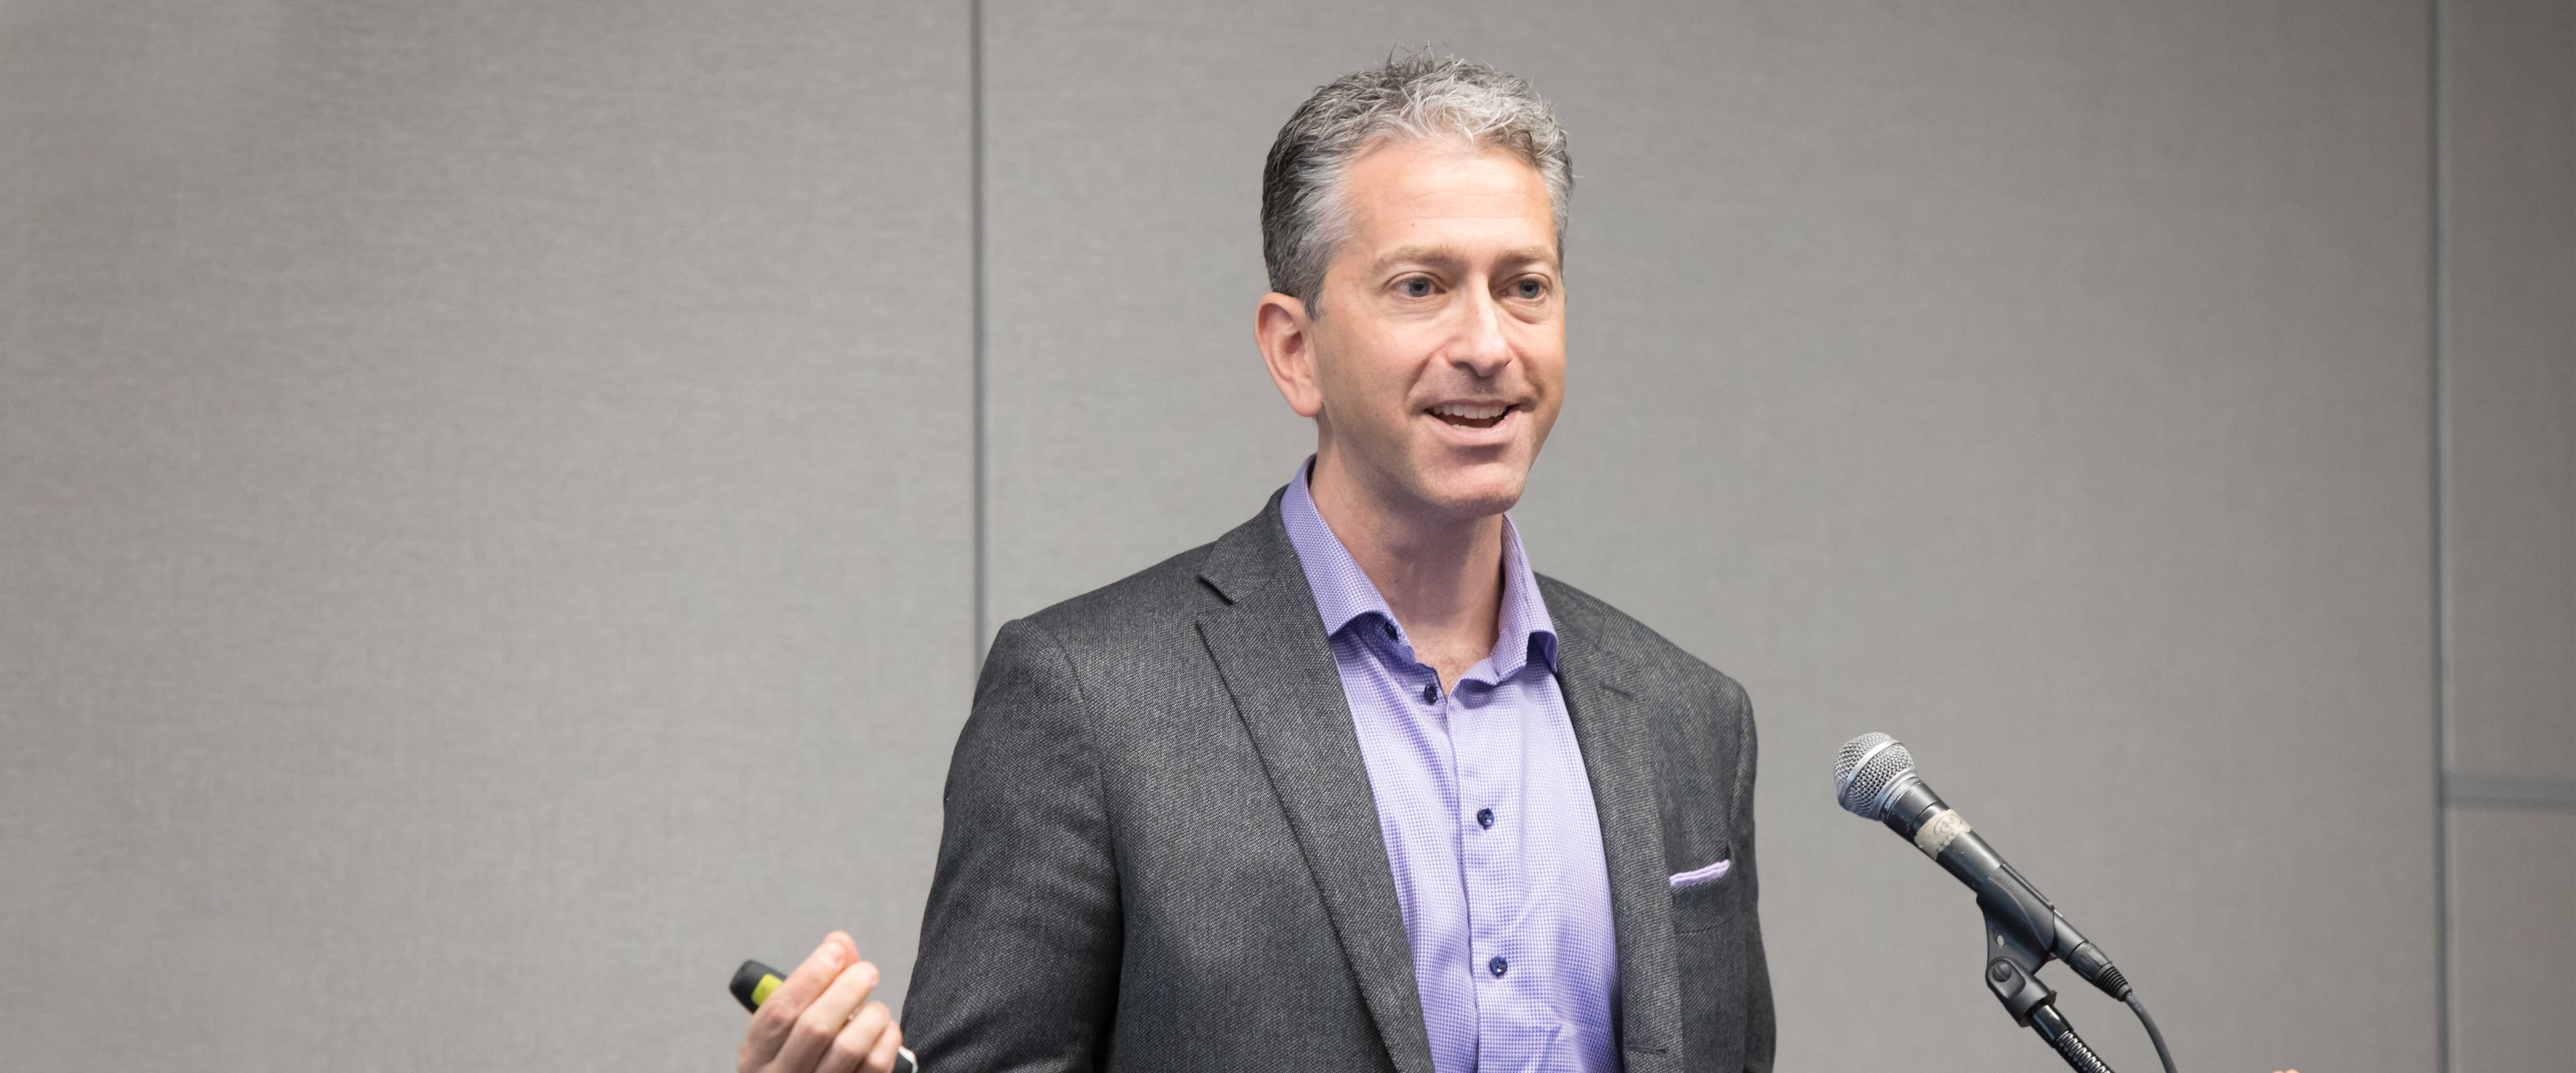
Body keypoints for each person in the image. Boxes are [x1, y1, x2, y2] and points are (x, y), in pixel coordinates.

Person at [736, 52, 1774, 1073]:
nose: (1488, 342)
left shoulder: (1688, 718)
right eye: (1421, 285)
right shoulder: (1092, 700)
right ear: (1294, 350)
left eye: (1525, 287)